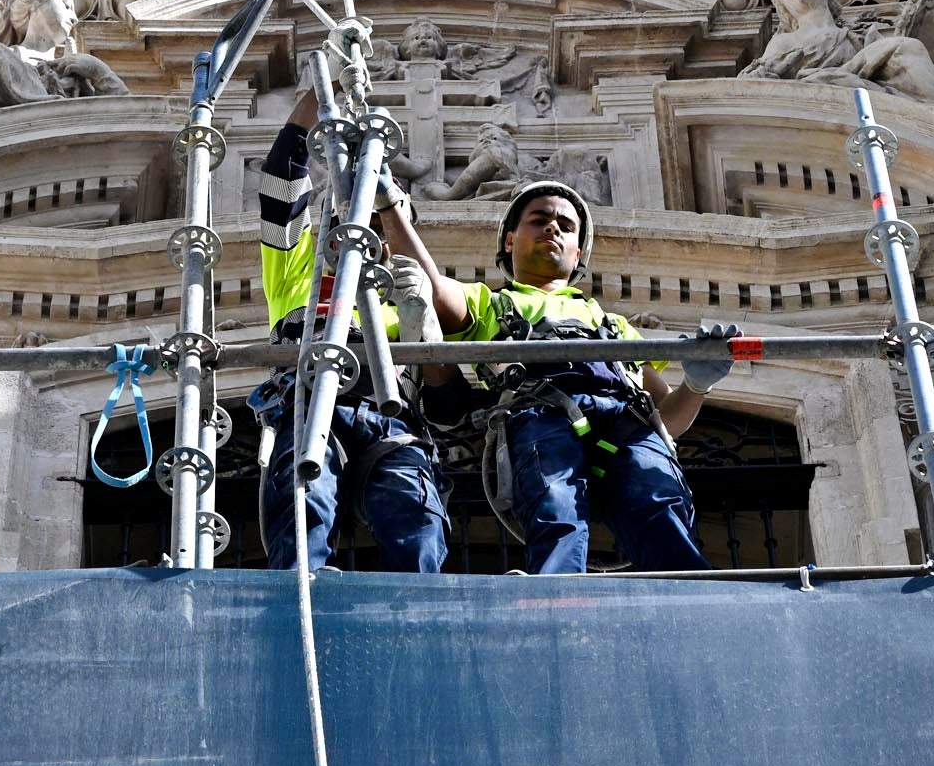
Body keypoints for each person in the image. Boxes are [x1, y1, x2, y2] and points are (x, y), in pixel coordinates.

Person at [389, 179, 725, 573]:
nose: (553, 228)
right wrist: (389, 206)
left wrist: (697, 384)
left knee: (656, 504)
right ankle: (558, 602)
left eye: (566, 226)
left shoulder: (614, 325)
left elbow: (666, 419)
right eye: (540, 220)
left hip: (626, 422)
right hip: (543, 415)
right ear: (510, 241)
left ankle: (688, 597)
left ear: (577, 252)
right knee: (556, 508)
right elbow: (432, 287)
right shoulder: (494, 303)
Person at [253, 80, 452, 573]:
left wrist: (421, 325)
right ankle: (304, 603)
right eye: (341, 210)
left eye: (374, 217)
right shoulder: (296, 268)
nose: (356, 223)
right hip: (309, 400)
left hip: (390, 416)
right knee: (304, 507)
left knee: (415, 517)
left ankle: (414, 620)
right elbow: (281, 177)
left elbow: (448, 401)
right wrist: (326, 91)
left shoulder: (406, 288)